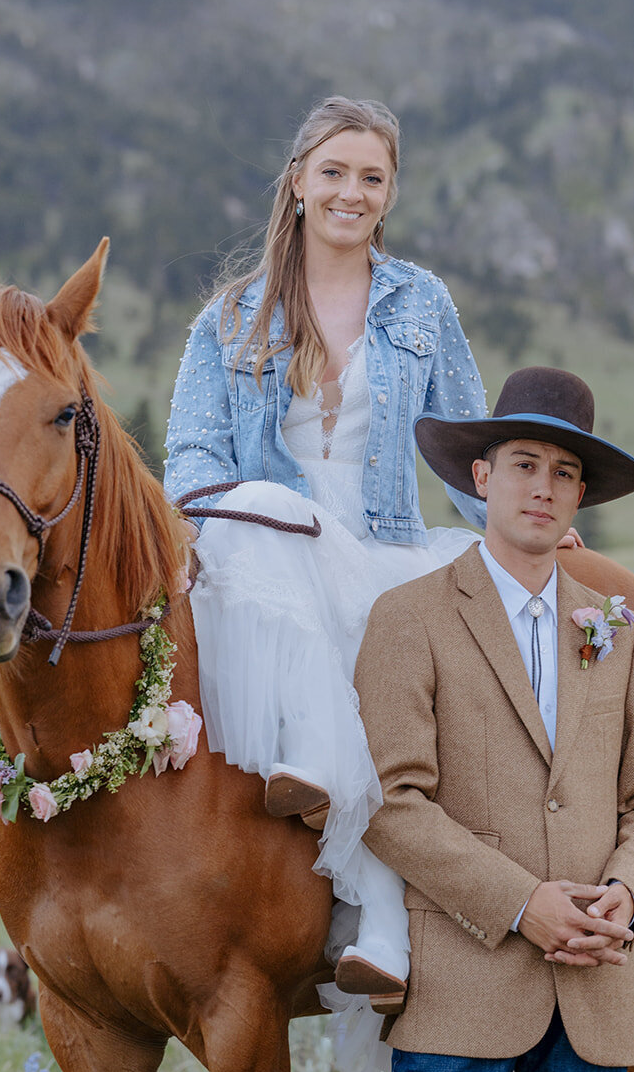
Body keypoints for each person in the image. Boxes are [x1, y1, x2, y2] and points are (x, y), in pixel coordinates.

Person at [322, 366, 634, 1072]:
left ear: (579, 497)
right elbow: (393, 806)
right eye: (522, 463)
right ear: (480, 476)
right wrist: (525, 902)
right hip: (468, 978)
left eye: (564, 472)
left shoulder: (622, 632)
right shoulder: (411, 618)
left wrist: (625, 892)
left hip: (597, 987)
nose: (542, 485)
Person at [163, 96, 488, 1008]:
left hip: (383, 547)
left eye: (371, 177)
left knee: (439, 608)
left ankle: (381, 918)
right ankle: (373, 908)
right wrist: (224, 515)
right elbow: (190, 456)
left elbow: (463, 440)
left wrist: (512, 515)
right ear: (298, 182)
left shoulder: (421, 303)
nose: (351, 191)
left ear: (389, 195)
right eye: (334, 172)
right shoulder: (229, 318)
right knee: (269, 509)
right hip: (270, 552)